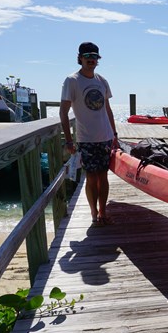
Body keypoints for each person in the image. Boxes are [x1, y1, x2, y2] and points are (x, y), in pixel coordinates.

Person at [60, 42, 118, 226]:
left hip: (106, 137)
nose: (91, 59)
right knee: (92, 177)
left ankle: (103, 211)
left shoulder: (102, 81)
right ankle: (94, 214)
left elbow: (107, 109)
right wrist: (69, 141)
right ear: (80, 58)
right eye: (87, 56)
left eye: (94, 56)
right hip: (86, 138)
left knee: (104, 176)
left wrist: (114, 134)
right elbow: (63, 112)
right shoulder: (72, 81)